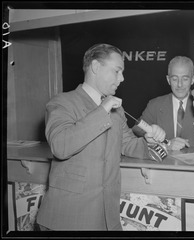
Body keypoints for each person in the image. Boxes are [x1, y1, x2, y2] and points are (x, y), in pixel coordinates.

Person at [36, 43, 166, 231]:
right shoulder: (61, 102)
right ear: (96, 67)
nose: (122, 78)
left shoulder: (116, 109)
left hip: (107, 218)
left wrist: (149, 142)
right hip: (66, 220)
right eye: (117, 71)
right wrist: (103, 109)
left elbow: (127, 143)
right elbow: (60, 146)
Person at [132, 56, 194, 151]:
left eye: (185, 79)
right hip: (164, 164)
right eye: (174, 79)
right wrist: (151, 130)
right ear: (168, 80)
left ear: (192, 79)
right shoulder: (155, 104)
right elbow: (136, 128)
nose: (179, 84)